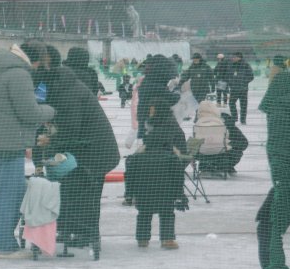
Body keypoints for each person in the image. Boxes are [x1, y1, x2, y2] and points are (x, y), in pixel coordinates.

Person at [36, 45, 120, 250]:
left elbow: (72, 128)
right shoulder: (59, 84)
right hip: (82, 149)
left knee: (87, 194)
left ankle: (87, 235)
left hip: (96, 150)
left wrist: (49, 140)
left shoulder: (67, 90)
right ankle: (74, 231)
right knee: (76, 191)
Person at [0, 43, 54, 259]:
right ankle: (5, 246)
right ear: (35, 59)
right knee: (10, 197)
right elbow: (30, 113)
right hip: (10, 143)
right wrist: (51, 109)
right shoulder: (19, 74)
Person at [126, 97, 186, 250]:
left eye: (152, 108)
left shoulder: (137, 158)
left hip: (146, 186)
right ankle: (167, 239)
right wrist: (179, 195)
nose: (150, 111)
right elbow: (178, 178)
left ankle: (142, 239)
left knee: (144, 213)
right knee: (166, 213)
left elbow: (130, 176)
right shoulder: (164, 125)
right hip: (166, 182)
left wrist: (129, 193)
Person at [253, 66, 290, 269]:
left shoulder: (279, 110)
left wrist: (280, 184)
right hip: (283, 181)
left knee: (270, 224)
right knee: (267, 221)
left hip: (285, 181)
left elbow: (279, 151)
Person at [228, 52, 254, 124]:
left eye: (234, 57)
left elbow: (251, 76)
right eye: (232, 57)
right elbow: (228, 76)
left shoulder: (246, 65)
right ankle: (234, 117)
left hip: (243, 89)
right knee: (231, 103)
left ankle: (243, 120)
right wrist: (230, 83)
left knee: (243, 105)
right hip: (233, 89)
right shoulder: (231, 65)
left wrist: (243, 82)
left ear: (239, 57)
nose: (232, 58)